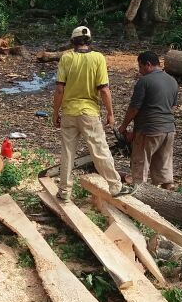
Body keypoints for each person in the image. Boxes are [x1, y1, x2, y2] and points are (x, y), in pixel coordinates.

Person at [52, 25, 132, 201]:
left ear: (73, 42)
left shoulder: (66, 57)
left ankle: (64, 191)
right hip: (89, 112)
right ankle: (115, 186)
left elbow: (59, 89)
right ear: (89, 41)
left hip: (69, 112)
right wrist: (110, 113)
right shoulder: (98, 58)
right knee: (100, 150)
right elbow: (104, 89)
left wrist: (55, 112)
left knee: (67, 152)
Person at [119, 50, 179, 190]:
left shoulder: (144, 82)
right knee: (163, 164)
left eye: (140, 67)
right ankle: (168, 191)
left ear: (148, 64)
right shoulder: (172, 81)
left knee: (140, 164)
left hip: (149, 130)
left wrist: (124, 126)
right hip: (169, 130)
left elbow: (134, 107)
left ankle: (139, 193)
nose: (140, 71)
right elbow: (173, 106)